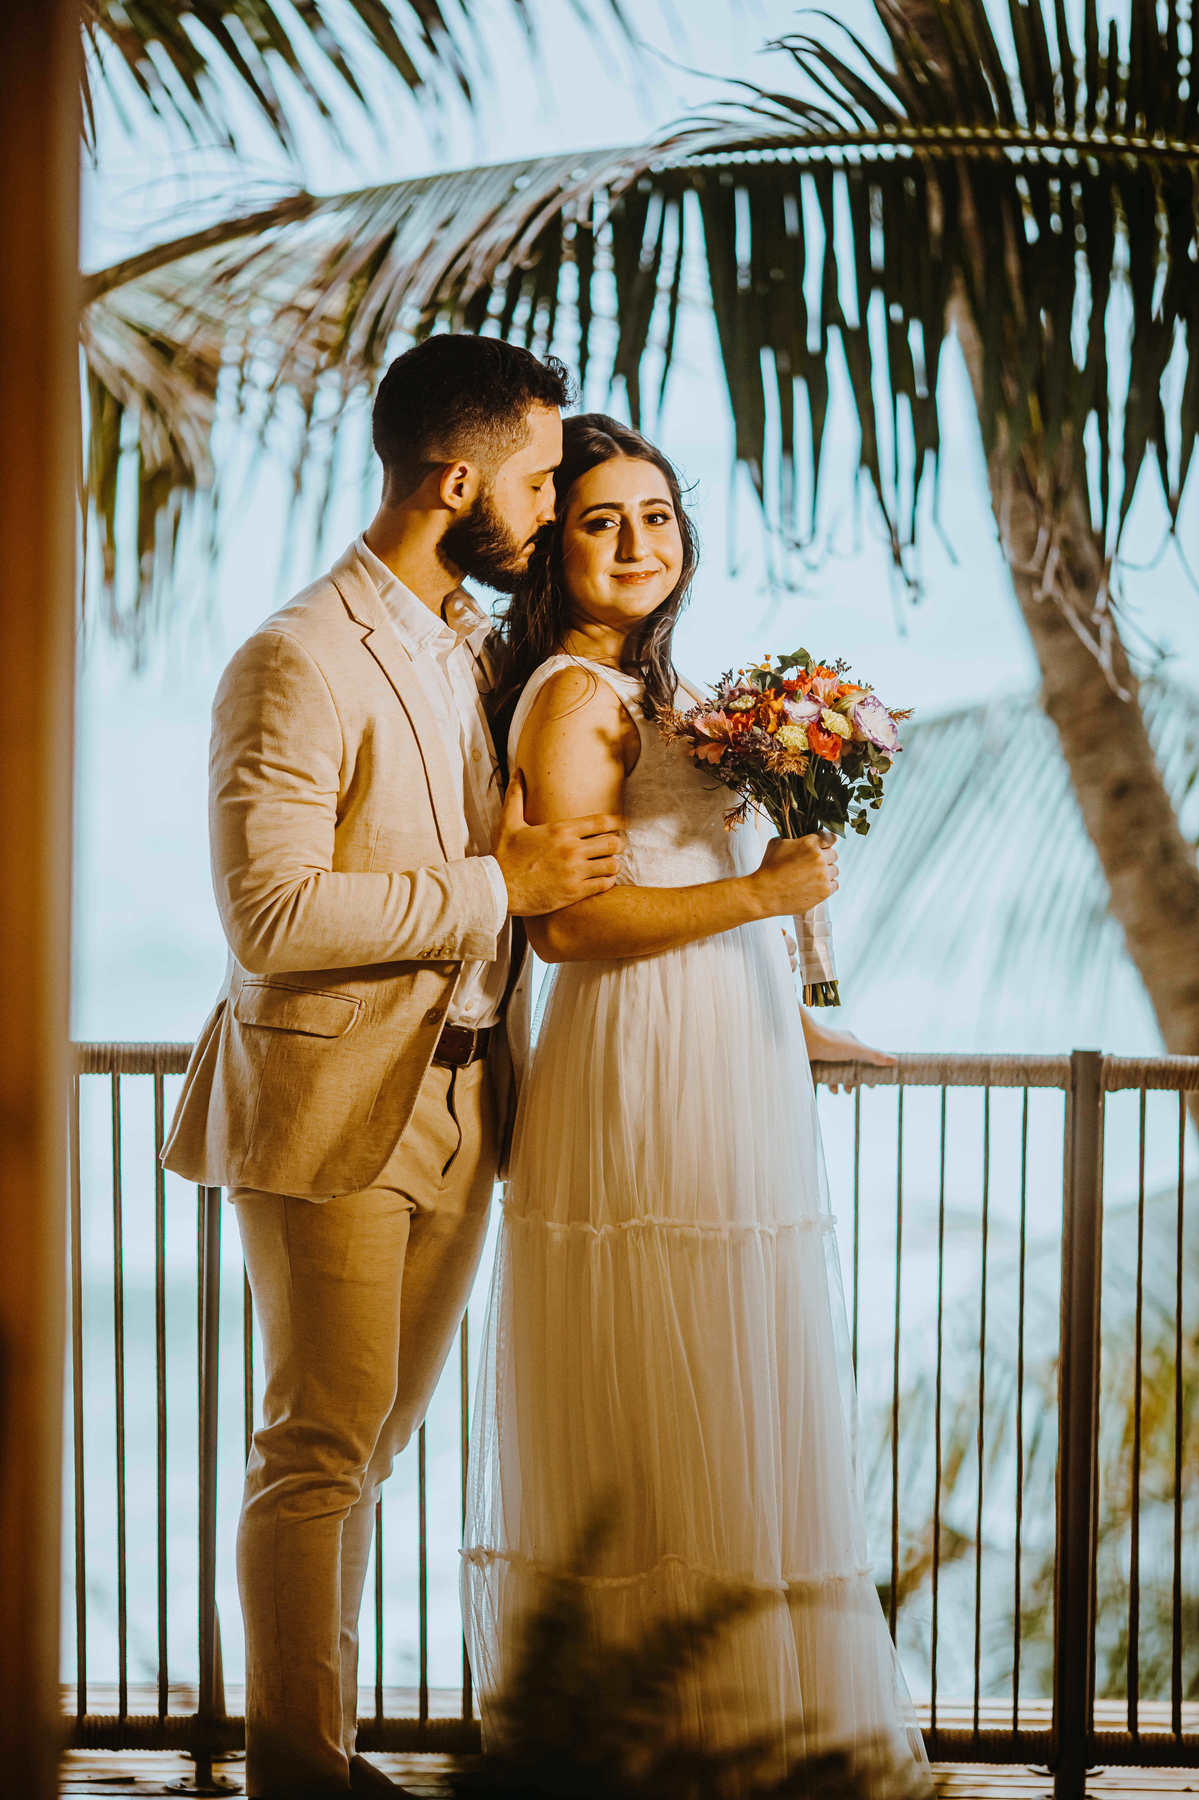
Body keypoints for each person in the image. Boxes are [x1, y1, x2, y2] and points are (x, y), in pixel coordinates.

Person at [161, 337, 628, 1799]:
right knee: (317, 1448)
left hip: (469, 1098)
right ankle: (299, 1773)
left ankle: (325, 1748)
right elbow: (272, 915)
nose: (551, 508)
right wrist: (499, 885)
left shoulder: (470, 647)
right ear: (456, 482)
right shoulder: (295, 656)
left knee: (370, 1449)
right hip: (331, 1108)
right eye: (539, 481)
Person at [461, 414, 930, 1792]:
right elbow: (571, 927)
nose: (636, 544)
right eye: (600, 520)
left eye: (656, 517)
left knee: (728, 1370)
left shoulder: (644, 691)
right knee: (668, 1377)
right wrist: (769, 895)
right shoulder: (573, 698)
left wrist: (795, 1019)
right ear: (553, 547)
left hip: (723, 1053)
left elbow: (671, 881)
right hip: (642, 1059)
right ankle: (676, 1744)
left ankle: (733, 1727)